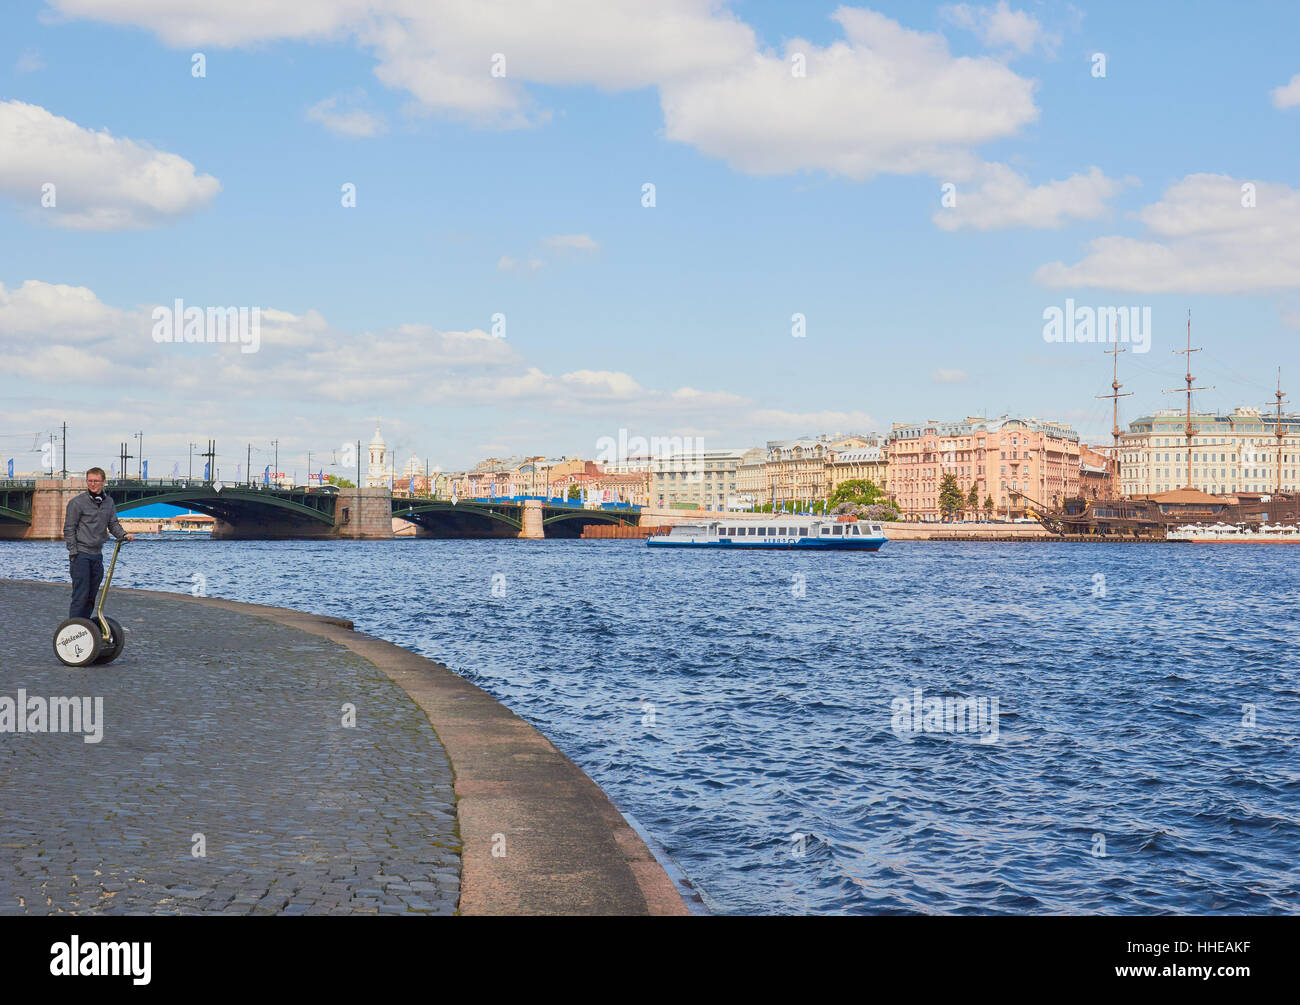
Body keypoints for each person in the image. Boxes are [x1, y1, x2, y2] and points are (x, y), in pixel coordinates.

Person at [64, 467, 134, 621]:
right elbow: (69, 529)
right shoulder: (77, 503)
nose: (93, 484)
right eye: (90, 481)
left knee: (91, 597)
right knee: (80, 596)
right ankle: (73, 628)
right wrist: (73, 552)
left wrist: (123, 535)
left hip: (97, 555)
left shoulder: (108, 502)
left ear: (103, 482)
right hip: (81, 555)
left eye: (96, 481)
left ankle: (84, 628)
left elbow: (113, 524)